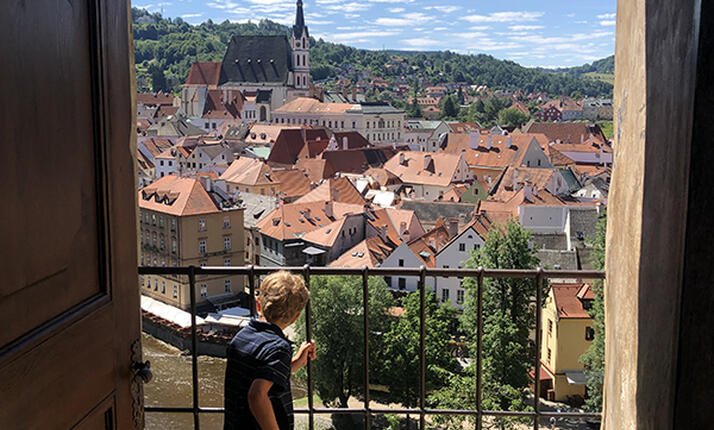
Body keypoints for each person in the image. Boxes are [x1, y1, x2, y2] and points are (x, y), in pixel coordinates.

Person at [224, 271, 316, 430]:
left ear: (258, 304)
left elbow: (260, 375)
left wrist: (295, 363)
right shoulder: (279, 348)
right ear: (295, 317)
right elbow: (257, 395)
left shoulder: (242, 337)